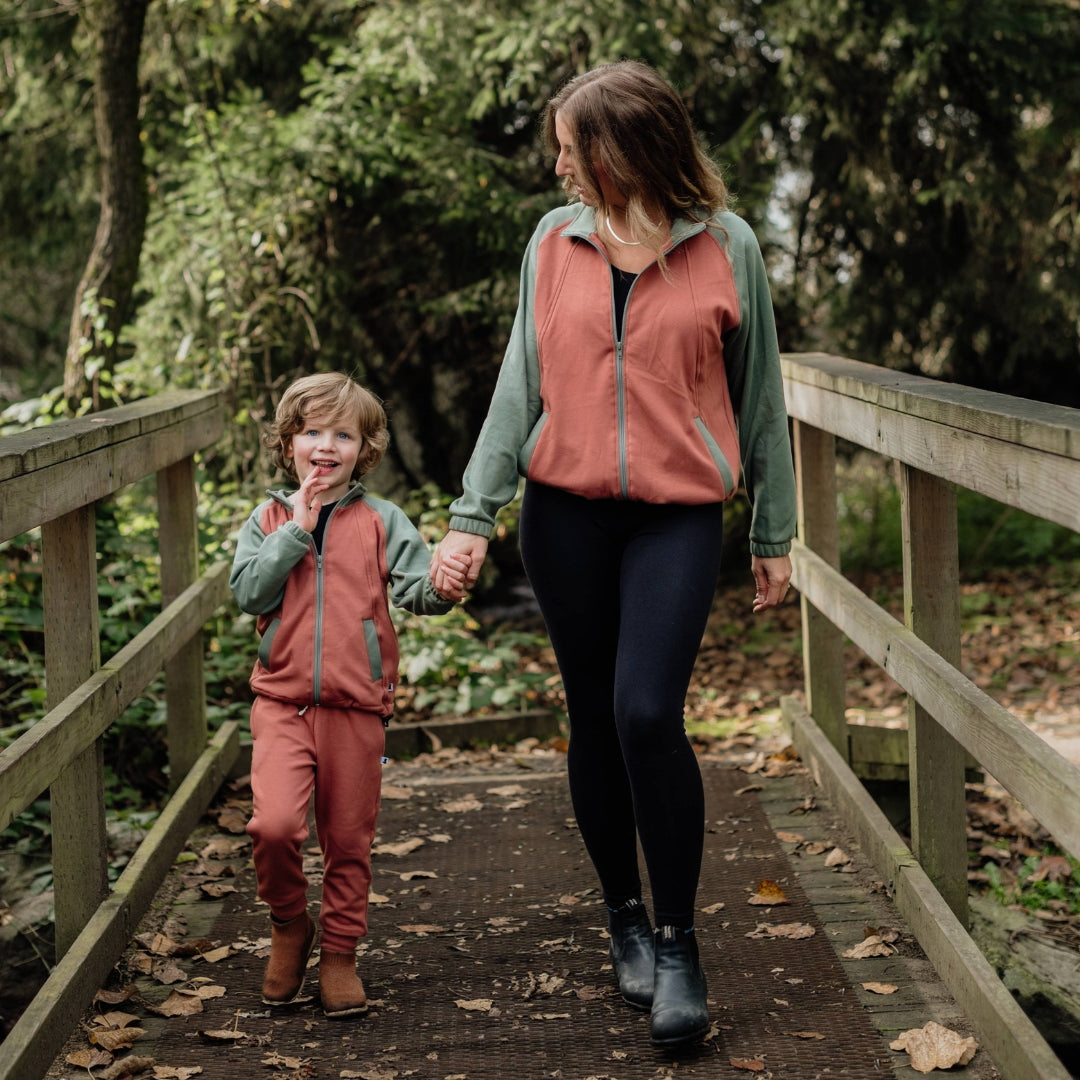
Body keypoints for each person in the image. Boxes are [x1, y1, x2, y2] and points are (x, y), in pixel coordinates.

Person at [429, 60, 796, 1047]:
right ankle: (623, 918)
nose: (557, 161)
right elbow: (520, 384)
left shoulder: (730, 248)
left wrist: (773, 533)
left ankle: (678, 942)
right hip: (564, 515)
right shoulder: (552, 242)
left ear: (624, 148)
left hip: (677, 516)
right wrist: (474, 514)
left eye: (570, 144)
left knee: (646, 711)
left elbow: (762, 399)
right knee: (593, 716)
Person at [230, 372, 469, 1019]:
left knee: (348, 839)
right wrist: (296, 530)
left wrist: (444, 584)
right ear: (289, 445)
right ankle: (289, 926)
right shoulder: (269, 518)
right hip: (280, 704)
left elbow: (418, 590)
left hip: (356, 708)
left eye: (344, 433)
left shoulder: (381, 520)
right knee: (273, 826)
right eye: (312, 432)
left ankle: (338, 954)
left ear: (364, 448)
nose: (326, 445)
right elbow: (249, 592)